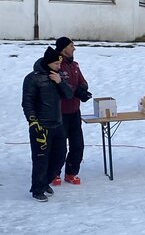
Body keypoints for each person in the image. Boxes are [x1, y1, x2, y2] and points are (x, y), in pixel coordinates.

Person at [22, 46, 73, 201]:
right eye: (57, 64)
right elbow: (27, 103)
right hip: (41, 126)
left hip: (57, 125)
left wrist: (60, 83)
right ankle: (37, 189)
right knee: (41, 159)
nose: (59, 67)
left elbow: (69, 95)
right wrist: (33, 122)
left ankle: (44, 182)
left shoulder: (58, 77)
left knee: (59, 156)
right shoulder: (32, 78)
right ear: (49, 63)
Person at [53, 37, 91, 186]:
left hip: (75, 112)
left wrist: (83, 89)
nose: (74, 48)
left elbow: (83, 81)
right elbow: (60, 86)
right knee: (59, 147)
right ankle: (54, 172)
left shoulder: (75, 65)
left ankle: (71, 172)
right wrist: (76, 91)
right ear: (63, 49)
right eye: (71, 45)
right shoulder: (56, 66)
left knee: (77, 145)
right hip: (61, 113)